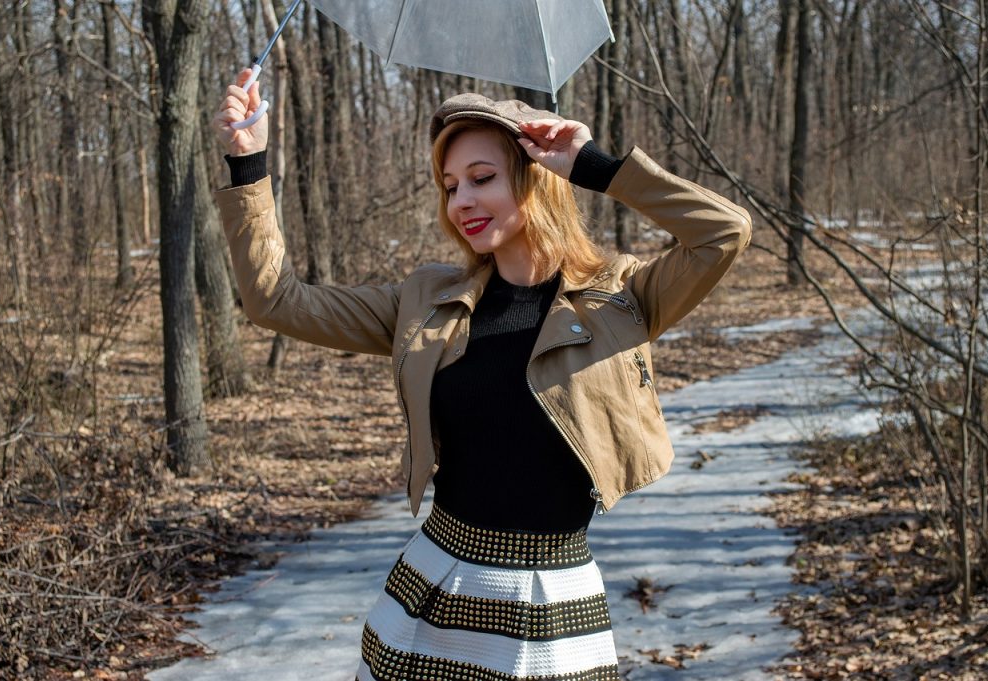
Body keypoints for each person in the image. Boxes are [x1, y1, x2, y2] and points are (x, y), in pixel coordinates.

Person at [212, 68, 751, 680]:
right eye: (449, 186)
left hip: (554, 603)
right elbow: (274, 301)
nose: (460, 201)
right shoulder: (427, 302)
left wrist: (592, 166)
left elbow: (724, 232)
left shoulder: (620, 299)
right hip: (436, 584)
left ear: (537, 179)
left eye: (482, 178)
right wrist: (248, 165)